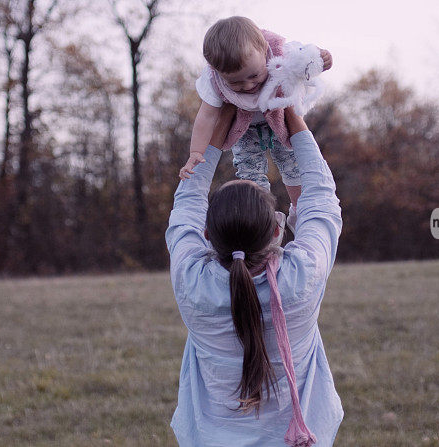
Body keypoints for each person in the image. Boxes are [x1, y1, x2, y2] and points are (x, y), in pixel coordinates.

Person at [166, 103, 343, 446]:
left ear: (206, 234)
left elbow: (186, 203)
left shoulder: (192, 280)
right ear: (279, 230)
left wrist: (220, 118)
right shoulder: (301, 277)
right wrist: (286, 105)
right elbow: (320, 199)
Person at [178, 16, 332, 233]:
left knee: (293, 166)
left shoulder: (281, 54)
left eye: (254, 76)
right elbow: (207, 117)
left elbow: (308, 59)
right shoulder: (213, 79)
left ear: (264, 50)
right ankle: (263, 223)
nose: (247, 85)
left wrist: (323, 59)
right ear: (217, 71)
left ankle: (300, 212)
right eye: (235, 82)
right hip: (245, 130)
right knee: (250, 175)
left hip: (280, 120)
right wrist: (196, 151)